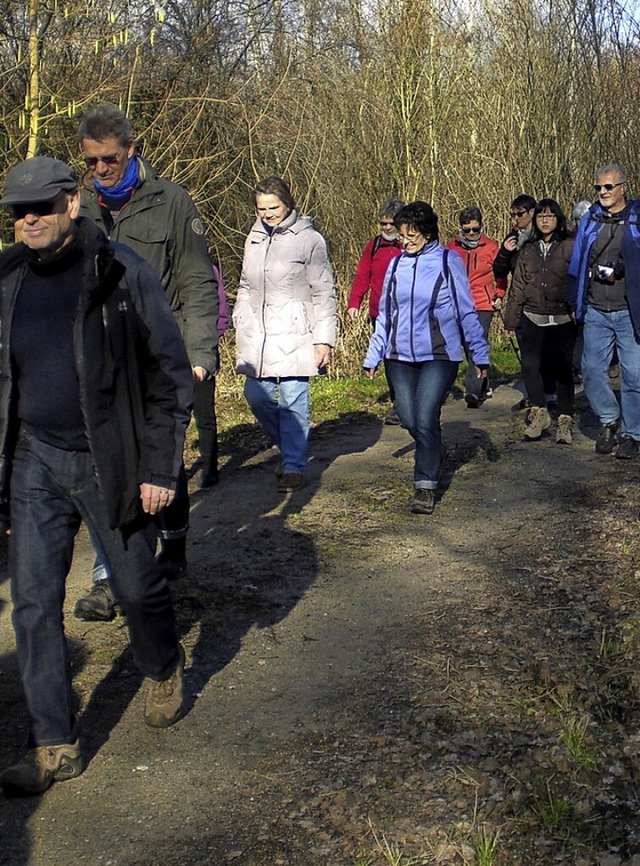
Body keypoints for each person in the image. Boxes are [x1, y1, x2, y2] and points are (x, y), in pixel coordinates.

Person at [0, 157, 193, 795]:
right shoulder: (8, 281)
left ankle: (163, 663)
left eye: (41, 207)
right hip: (34, 457)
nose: (28, 220)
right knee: (31, 602)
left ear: (72, 203)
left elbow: (168, 375)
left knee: (137, 587)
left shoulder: (119, 274)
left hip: (109, 459)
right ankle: (54, 741)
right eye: (17, 211)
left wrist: (160, 467)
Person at [73, 103, 219, 621]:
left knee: (163, 462)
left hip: (160, 358)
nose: (100, 170)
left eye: (108, 159)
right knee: (105, 464)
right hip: (101, 364)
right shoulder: (78, 207)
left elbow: (198, 282)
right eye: (90, 162)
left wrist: (200, 353)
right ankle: (109, 578)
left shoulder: (172, 201)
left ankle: (174, 538)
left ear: (131, 150)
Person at [364, 201, 489, 515]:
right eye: (402, 235)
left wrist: (479, 353)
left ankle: (425, 485)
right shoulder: (395, 265)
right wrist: (374, 353)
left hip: (439, 354)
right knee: (407, 417)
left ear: (427, 232)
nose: (404, 241)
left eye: (411, 235)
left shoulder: (448, 261)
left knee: (426, 415)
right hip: (398, 355)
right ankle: (434, 447)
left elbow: (465, 309)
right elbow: (385, 314)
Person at [233, 176, 336, 491]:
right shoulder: (254, 238)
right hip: (258, 336)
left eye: (273, 207)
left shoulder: (309, 240)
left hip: (296, 334)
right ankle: (293, 446)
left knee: (293, 400)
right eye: (261, 208)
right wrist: (240, 315)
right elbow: (246, 283)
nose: (267, 214)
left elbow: (325, 292)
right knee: (256, 396)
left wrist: (324, 339)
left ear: (288, 204)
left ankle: (293, 465)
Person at [569, 163, 640, 459]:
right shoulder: (590, 221)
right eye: (598, 188)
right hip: (597, 307)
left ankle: (632, 432)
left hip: (629, 310)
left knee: (634, 374)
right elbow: (577, 262)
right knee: (591, 370)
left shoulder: (636, 219)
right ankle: (609, 419)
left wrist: (624, 268)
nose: (603, 192)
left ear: (623, 187)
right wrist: (575, 301)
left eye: (608, 187)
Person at [502, 199, 576, 443]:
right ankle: (539, 411)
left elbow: (576, 281)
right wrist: (510, 320)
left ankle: (565, 419)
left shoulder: (569, 246)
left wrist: (578, 310)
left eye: (550, 216)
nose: (545, 220)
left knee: (563, 369)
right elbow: (518, 286)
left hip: (563, 316)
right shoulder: (528, 249)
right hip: (533, 315)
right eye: (541, 216)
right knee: (530, 366)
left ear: (558, 219)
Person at [347, 198, 404, 424]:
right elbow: (363, 276)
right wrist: (354, 303)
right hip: (379, 312)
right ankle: (398, 403)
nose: (388, 228)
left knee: (403, 358)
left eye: (392, 223)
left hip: (405, 312)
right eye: (383, 224)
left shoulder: (408, 246)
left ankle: (409, 400)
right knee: (389, 358)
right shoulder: (374, 246)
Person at [446, 206, 507, 408]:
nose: (471, 233)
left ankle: (472, 391)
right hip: (459, 304)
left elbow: (500, 274)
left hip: (483, 302)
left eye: (475, 229)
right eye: (467, 230)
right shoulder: (451, 248)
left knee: (476, 342)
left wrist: (499, 294)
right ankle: (483, 381)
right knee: (465, 344)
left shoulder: (491, 246)